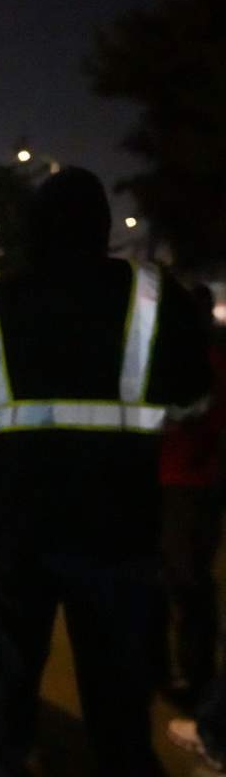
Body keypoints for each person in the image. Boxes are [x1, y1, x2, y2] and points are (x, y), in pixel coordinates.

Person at [0, 167, 211, 776]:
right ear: (104, 228)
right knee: (119, 709)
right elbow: (194, 398)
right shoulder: (152, 295)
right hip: (119, 531)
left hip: (11, 532)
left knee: (1, 700)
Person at [158, 284, 226, 709]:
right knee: (185, 583)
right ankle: (185, 671)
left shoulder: (201, 361)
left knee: (186, 583)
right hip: (187, 484)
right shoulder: (203, 357)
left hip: (185, 484)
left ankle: (193, 678)